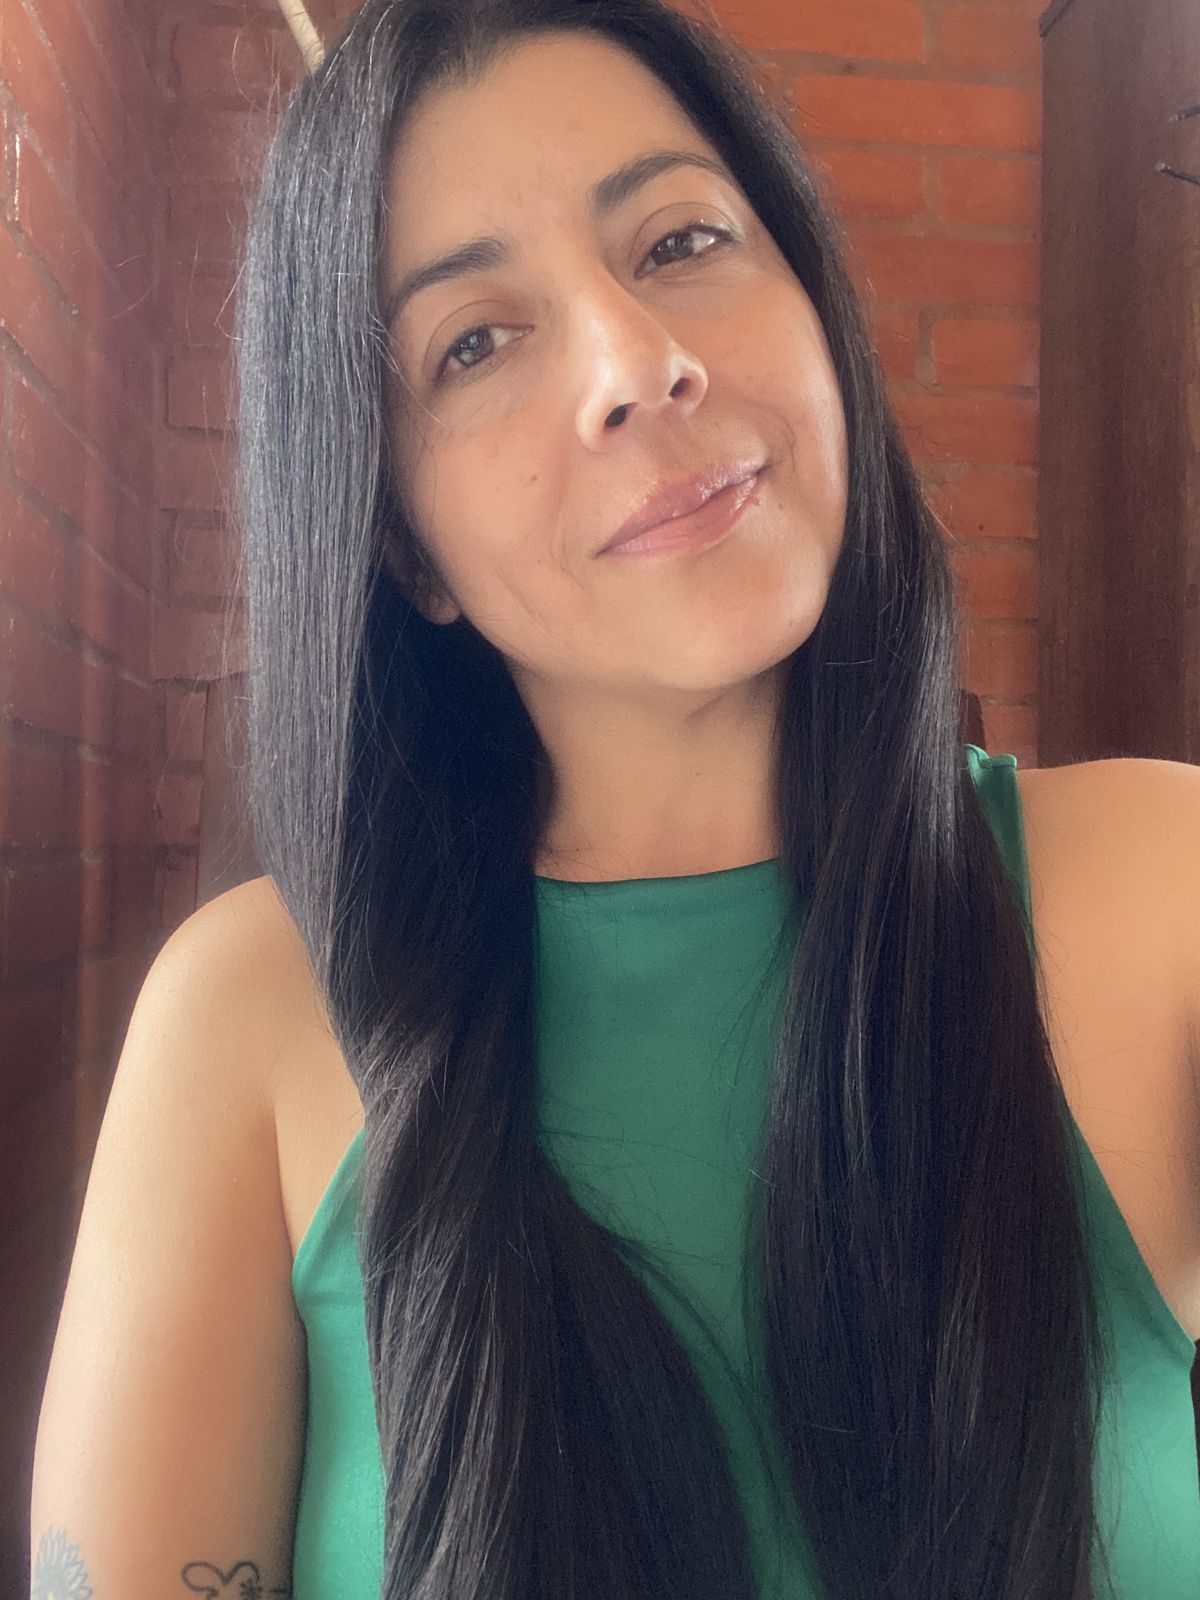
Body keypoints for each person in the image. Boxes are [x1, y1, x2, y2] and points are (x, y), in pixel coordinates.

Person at [30, 2, 1200, 1597]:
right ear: (404, 547)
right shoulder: (247, 1021)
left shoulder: (1158, 889)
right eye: (474, 342)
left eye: (682, 240)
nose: (639, 363)